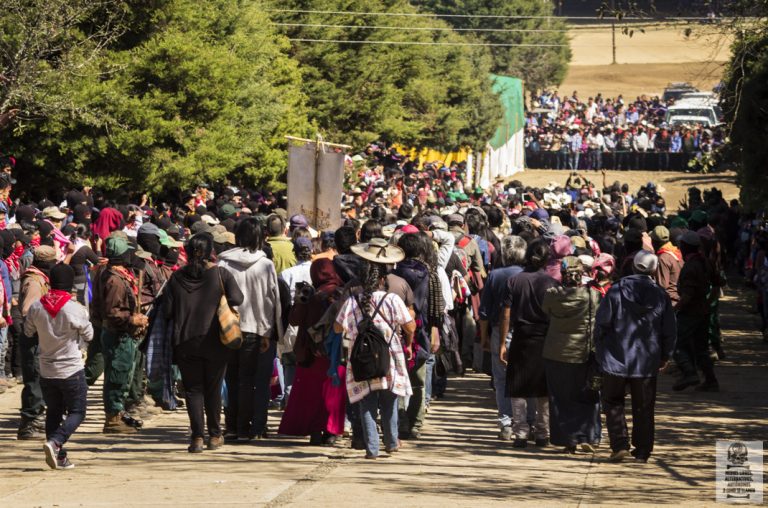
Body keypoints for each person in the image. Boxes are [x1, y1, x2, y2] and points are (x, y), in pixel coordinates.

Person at [334, 240, 416, 459]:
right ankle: (391, 442)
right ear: (382, 278)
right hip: (389, 356)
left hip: (361, 357)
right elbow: (410, 326)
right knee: (389, 400)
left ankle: (372, 448)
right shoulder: (393, 300)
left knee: (367, 402)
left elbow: (337, 326)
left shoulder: (352, 300)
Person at [595, 251, 676, 463]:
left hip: (615, 359)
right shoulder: (660, 294)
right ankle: (642, 451)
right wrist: (665, 354)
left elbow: (601, 324)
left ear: (633, 267)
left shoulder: (615, 291)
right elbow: (669, 329)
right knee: (644, 407)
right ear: (653, 270)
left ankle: (619, 445)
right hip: (646, 362)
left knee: (612, 401)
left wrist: (600, 350)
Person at [166, 233, 244, 452]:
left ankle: (197, 438)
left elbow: (168, 311)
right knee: (213, 388)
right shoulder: (220, 274)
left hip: (184, 341)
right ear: (211, 251)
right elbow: (238, 299)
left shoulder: (176, 277)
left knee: (193, 390)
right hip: (215, 341)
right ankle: (215, 435)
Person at [23, 263, 93, 469]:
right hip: (71, 368)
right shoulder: (75, 309)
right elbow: (89, 335)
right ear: (70, 283)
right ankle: (55, 442)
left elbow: (28, 332)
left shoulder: (37, 306)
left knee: (53, 411)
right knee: (78, 411)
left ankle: (59, 456)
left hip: (46, 369)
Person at [217, 219, 281, 442]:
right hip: (255, 328)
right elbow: (270, 301)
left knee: (230, 378)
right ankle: (245, 428)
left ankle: (232, 426)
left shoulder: (223, 263)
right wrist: (268, 331)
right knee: (248, 380)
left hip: (228, 328)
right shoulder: (265, 265)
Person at [278, 258, 346, 445]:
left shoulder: (310, 295)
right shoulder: (342, 293)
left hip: (311, 353)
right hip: (336, 353)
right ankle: (332, 431)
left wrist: (300, 300)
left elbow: (294, 320)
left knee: (312, 394)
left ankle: (316, 430)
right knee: (333, 393)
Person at [498, 239, 558, 448]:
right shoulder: (552, 284)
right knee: (543, 389)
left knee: (518, 388)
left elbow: (506, 314)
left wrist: (503, 344)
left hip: (521, 338)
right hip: (546, 340)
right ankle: (543, 433)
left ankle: (521, 433)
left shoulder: (514, 281)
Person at [541, 257, 601, 454]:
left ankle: (568, 440)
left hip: (556, 353)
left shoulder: (551, 296)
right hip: (583, 353)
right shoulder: (592, 296)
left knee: (560, 398)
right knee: (586, 395)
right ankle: (588, 436)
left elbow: (546, 313)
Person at [98, 233, 148, 434]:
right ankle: (113, 419)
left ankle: (118, 414)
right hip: (118, 335)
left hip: (122, 335)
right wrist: (133, 319)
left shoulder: (116, 274)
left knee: (122, 375)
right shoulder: (114, 281)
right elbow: (113, 313)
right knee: (117, 376)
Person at [478, 235, 526, 440]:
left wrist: (484, 337)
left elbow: (485, 311)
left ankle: (506, 422)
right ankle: (527, 422)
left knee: (501, 378)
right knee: (525, 376)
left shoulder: (495, 275)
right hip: (526, 331)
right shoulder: (528, 274)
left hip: (500, 330)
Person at [17, 245, 57, 440]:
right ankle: (29, 422)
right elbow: (28, 310)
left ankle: (38, 416)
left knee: (40, 377)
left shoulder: (41, 278)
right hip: (33, 337)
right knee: (33, 379)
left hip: (41, 336)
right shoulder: (34, 282)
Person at [673, 231, 719, 392]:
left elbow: (687, 296)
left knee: (675, 342)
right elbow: (718, 284)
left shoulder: (691, 267)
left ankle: (689, 372)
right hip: (703, 311)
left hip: (690, 312)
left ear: (685, 247)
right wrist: (708, 302)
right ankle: (710, 380)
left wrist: (674, 309)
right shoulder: (706, 262)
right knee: (701, 347)